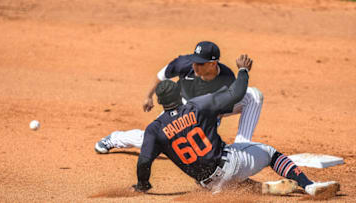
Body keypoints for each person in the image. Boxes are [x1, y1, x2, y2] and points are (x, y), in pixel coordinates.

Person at [131, 55, 340, 197]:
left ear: (160, 101)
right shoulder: (198, 106)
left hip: (208, 185)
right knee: (270, 153)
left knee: (224, 179)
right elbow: (237, 94)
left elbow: (144, 162)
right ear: (179, 94)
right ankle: (309, 185)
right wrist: (243, 70)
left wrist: (143, 185)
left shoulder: (154, 129)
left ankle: (259, 189)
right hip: (229, 165)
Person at [95, 41, 263, 153]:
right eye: (194, 61)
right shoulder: (184, 64)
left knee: (254, 95)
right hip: (182, 107)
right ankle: (116, 138)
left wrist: (210, 125)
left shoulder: (227, 78)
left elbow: (225, 103)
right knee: (150, 139)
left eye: (200, 63)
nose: (194, 66)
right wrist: (148, 96)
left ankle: (242, 147)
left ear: (213, 64)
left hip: (211, 108)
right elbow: (161, 75)